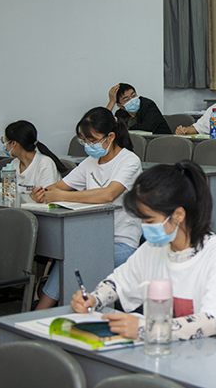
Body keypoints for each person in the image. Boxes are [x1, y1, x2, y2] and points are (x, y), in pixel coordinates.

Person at [71, 160, 216, 342]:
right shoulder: (153, 248)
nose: (144, 227)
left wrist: (146, 329)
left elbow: (213, 322)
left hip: (210, 355)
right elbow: (117, 283)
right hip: (161, 351)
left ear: (178, 215)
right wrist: (93, 299)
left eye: (150, 221)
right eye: (142, 220)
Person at [32, 107, 143, 309]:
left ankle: (43, 311)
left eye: (92, 141)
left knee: (73, 258)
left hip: (122, 242)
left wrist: (61, 196)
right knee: (70, 256)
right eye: (84, 141)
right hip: (92, 239)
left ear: (110, 137)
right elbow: (59, 186)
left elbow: (108, 194)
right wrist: (42, 192)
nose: (88, 146)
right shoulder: (90, 162)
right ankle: (48, 312)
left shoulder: (129, 161)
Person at [2, 120, 66, 194]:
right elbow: (9, 193)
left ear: (14, 143)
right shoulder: (14, 163)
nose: (5, 145)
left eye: (5, 141)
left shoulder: (44, 163)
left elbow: (46, 196)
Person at [106, 83, 171, 135]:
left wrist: (126, 128)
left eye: (133, 95)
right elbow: (103, 126)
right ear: (120, 106)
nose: (132, 100)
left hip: (160, 141)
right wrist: (111, 102)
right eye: (126, 99)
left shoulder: (148, 105)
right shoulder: (120, 113)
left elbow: (146, 127)